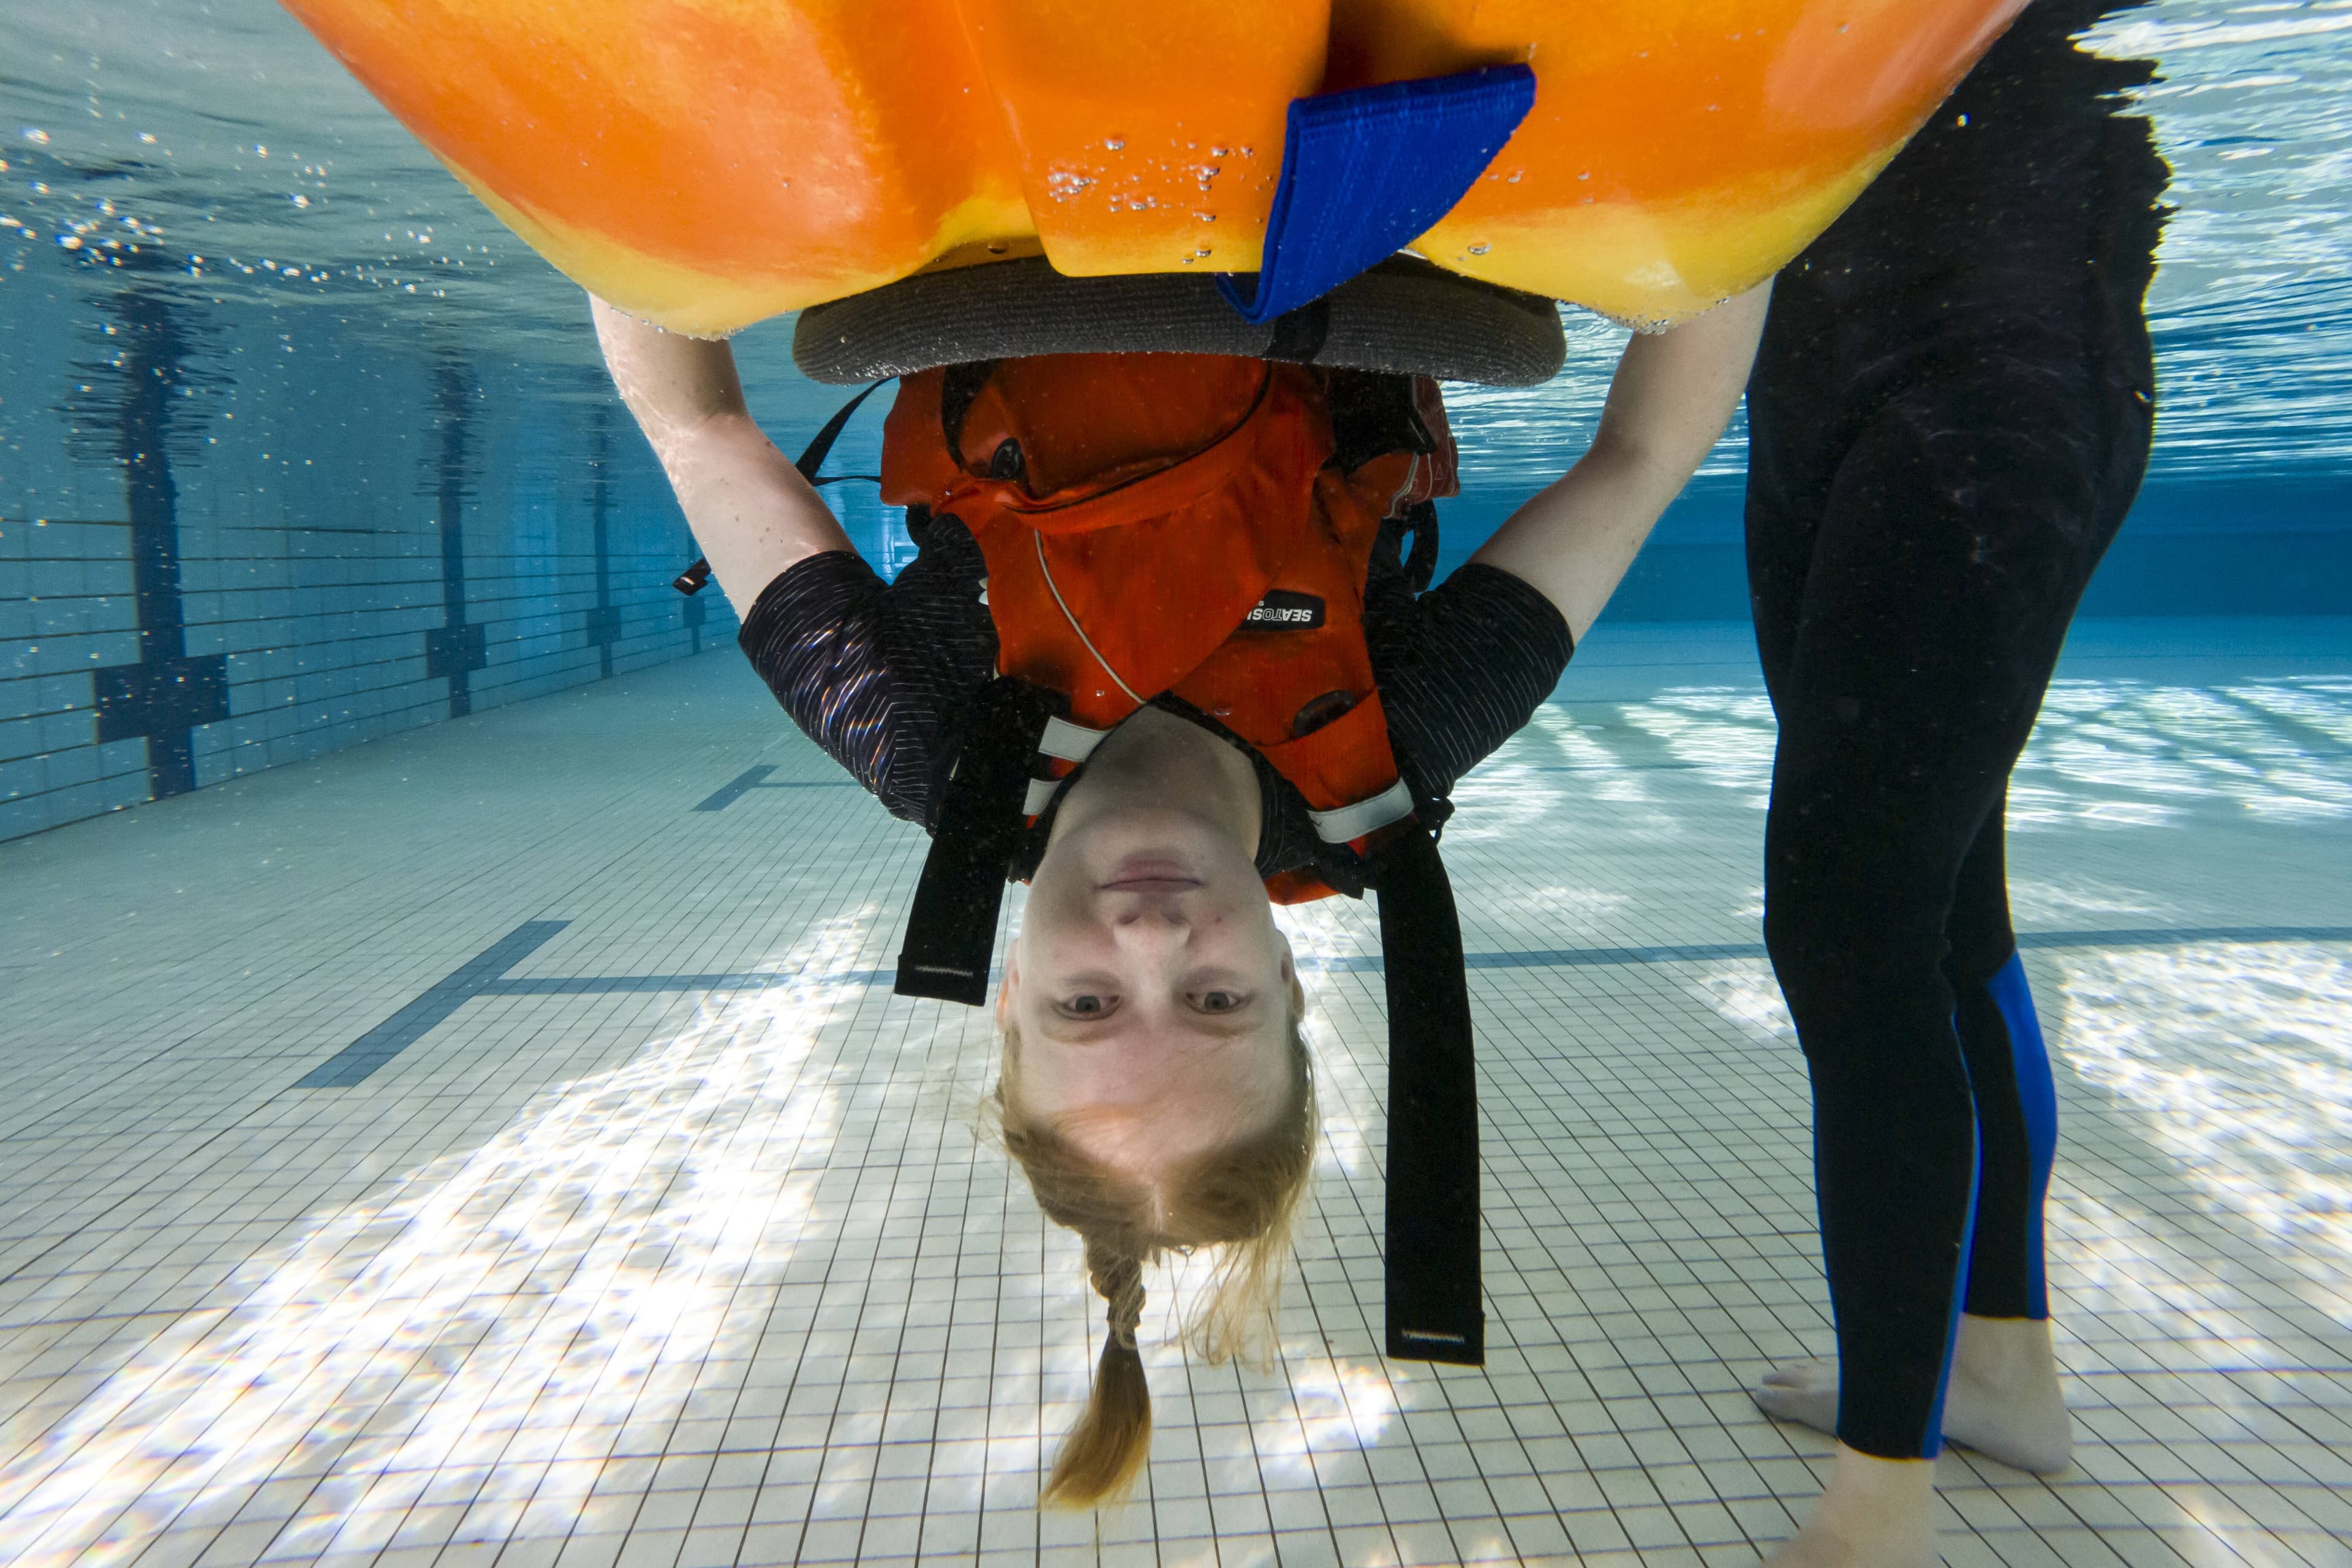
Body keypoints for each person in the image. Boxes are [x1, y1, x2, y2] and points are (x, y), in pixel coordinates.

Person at [594, 285, 1770, 1503]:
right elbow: (1639, 458)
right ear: (1285, 976)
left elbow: (701, 432)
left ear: (1006, 992)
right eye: (1212, 997)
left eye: (1088, 1004)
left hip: (1011, 246)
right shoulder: (1391, 742)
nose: (1150, 937)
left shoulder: (929, 737)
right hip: (1328, 248)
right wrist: (1741, 235)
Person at [1735, 3, 2168, 1563]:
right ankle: (1997, 1363)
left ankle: (1881, 1505)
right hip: (1815, 382)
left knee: (1849, 929)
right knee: (1933, 908)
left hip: (2000, 364)